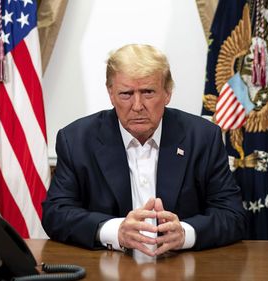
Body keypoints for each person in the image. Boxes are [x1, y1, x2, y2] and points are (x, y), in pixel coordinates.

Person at [42, 44, 246, 257]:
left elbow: (232, 215)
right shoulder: (77, 140)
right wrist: (114, 231)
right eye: (126, 94)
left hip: (181, 268)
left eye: (148, 92)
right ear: (111, 94)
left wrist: (185, 234)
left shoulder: (203, 137)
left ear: (167, 93)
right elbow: (56, 214)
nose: (137, 105)